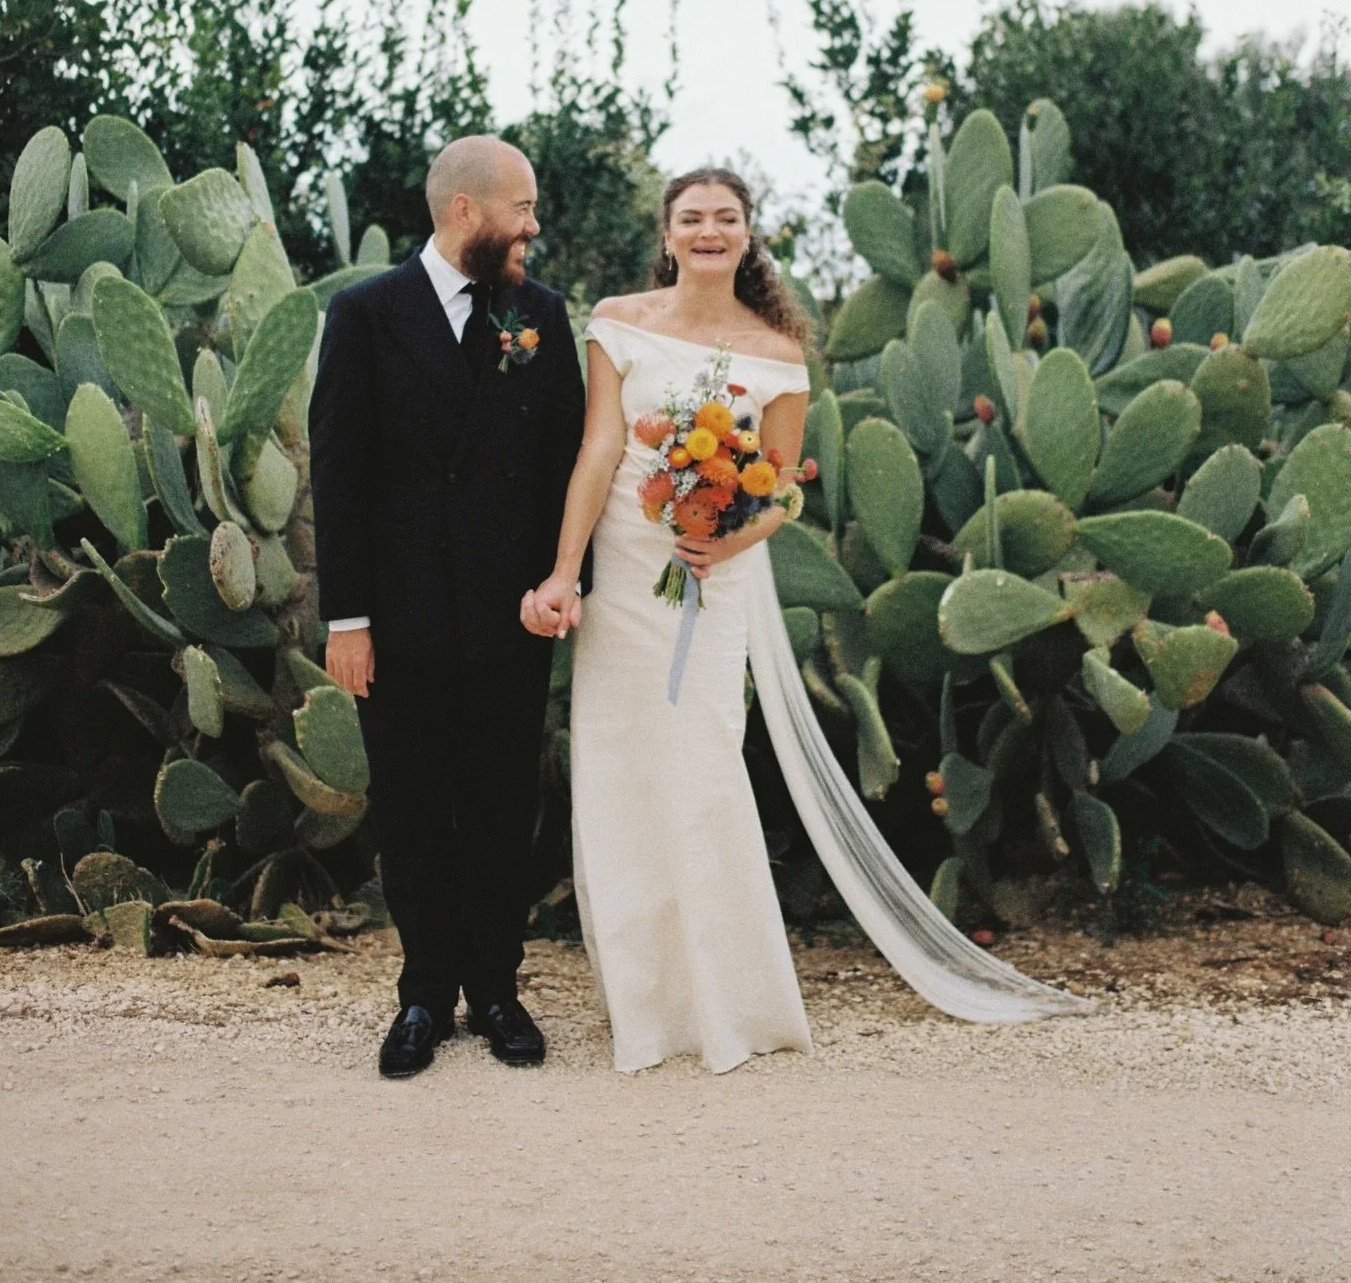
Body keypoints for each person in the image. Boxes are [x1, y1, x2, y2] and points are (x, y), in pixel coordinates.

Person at [525, 167, 1087, 1074]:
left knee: (702, 768)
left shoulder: (778, 351)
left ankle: (732, 1005)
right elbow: (597, 448)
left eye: (727, 219)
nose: (709, 232)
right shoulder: (618, 321)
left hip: (710, 581)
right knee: (620, 773)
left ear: (749, 236)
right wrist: (564, 571)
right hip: (627, 578)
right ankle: (649, 1008)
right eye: (692, 219)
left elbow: (783, 487)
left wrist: (732, 538)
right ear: (666, 236)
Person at [310, 135, 586, 1078]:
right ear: (465, 212)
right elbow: (339, 478)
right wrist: (346, 620)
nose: (534, 226)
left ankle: (498, 990)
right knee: (416, 810)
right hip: (401, 620)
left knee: (506, 807)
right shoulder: (364, 315)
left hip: (513, 620)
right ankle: (424, 995)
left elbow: (562, 466)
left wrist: (563, 578)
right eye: (522, 207)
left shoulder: (540, 317)